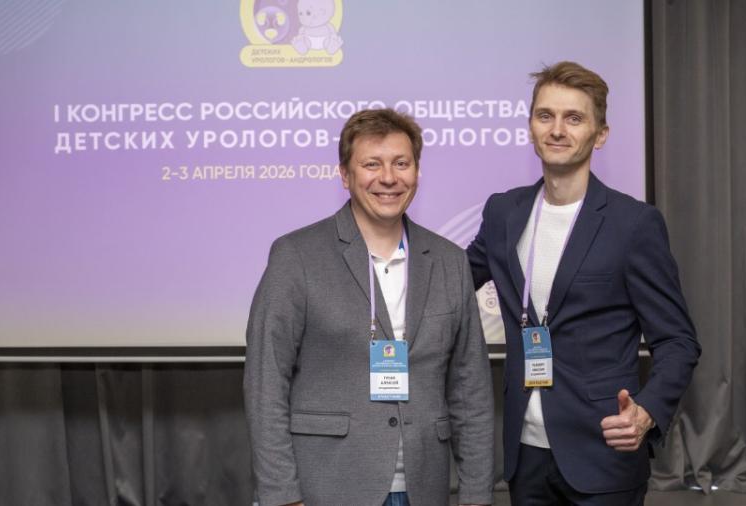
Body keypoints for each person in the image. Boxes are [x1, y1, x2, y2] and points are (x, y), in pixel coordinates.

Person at [466, 61, 701, 505]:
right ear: (531, 126)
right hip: (524, 456)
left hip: (603, 454)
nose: (557, 130)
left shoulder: (634, 224)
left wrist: (648, 411)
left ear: (601, 134)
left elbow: (678, 341)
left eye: (573, 118)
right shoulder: (502, 213)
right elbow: (450, 280)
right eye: (545, 116)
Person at [245, 108, 494, 506]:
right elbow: (266, 382)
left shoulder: (450, 261)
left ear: (417, 171)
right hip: (327, 486)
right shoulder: (297, 256)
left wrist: (477, 494)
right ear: (345, 175)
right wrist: (281, 495)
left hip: (424, 488)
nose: (389, 178)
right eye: (372, 164)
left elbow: (471, 390)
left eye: (401, 163)